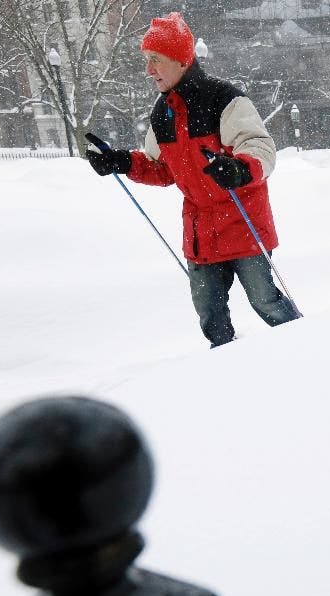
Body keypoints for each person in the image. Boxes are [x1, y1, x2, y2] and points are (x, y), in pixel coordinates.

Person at [85, 12, 298, 348]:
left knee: (264, 301)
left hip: (243, 223)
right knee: (210, 314)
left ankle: (306, 343)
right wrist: (122, 161)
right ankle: (224, 367)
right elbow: (162, 169)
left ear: (181, 59)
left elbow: (261, 150)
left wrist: (238, 169)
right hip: (201, 232)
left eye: (155, 59)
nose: (148, 69)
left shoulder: (224, 99)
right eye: (147, 60)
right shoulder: (162, 113)